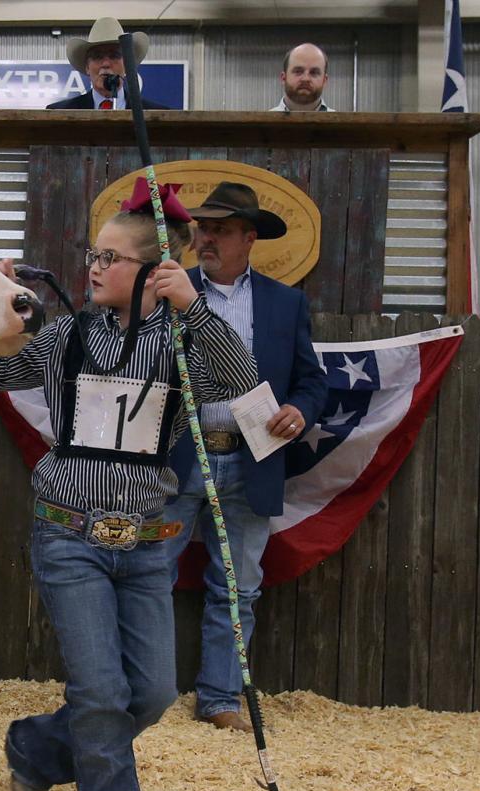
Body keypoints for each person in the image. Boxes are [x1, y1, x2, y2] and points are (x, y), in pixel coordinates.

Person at [0, 179, 258, 791]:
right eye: (93, 254)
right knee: (101, 690)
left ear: (155, 272)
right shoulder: (67, 335)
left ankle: (37, 747)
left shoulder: (181, 344)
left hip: (146, 544)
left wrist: (195, 308)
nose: (94, 267)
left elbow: (243, 379)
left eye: (112, 257)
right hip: (68, 534)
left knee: (153, 691)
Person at [162, 182, 327, 731]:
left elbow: (311, 382)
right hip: (175, 458)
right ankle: (143, 693)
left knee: (238, 588)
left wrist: (301, 411)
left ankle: (220, 700)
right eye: (203, 228)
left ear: (250, 238)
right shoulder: (168, 291)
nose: (206, 238)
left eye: (221, 230)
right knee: (148, 575)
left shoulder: (287, 302)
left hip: (253, 457)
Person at [47, 17, 171, 111]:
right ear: (87, 67)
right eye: (97, 56)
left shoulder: (156, 114)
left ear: (127, 65)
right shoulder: (60, 112)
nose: (106, 63)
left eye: (114, 56)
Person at [270, 43, 333, 112]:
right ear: (283, 78)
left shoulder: (341, 122)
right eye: (298, 71)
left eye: (314, 73)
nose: (305, 79)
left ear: (324, 80)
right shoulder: (264, 122)